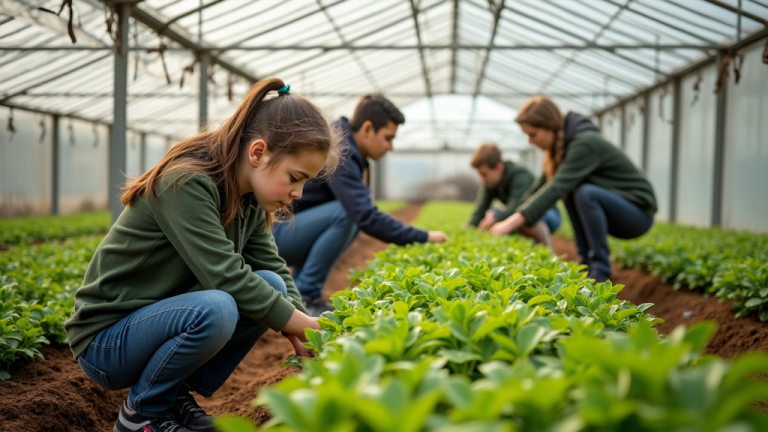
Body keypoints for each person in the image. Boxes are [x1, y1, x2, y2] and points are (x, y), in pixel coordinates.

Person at [63, 79, 341, 432]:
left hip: (156, 326)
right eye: (295, 177)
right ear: (258, 153)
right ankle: (141, 415)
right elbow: (225, 277)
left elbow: (273, 267)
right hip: (106, 340)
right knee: (220, 305)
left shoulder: (249, 200)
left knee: (271, 284)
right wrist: (306, 322)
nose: (299, 193)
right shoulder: (186, 182)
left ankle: (171, 395)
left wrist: (300, 331)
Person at [273, 94, 447, 316]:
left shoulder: (346, 147)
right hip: (274, 237)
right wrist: (423, 236)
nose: (390, 147)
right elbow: (365, 215)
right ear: (367, 129)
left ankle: (299, 296)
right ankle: (307, 294)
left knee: (349, 213)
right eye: (387, 138)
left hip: (292, 231)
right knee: (347, 213)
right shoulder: (341, 150)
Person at [490, 96, 656, 282]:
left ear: (549, 126)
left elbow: (555, 188)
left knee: (585, 193)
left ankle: (600, 272)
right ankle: (585, 264)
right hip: (619, 211)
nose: (530, 141)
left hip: (637, 215)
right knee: (574, 192)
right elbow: (537, 190)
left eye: (533, 134)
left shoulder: (584, 144)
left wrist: (512, 222)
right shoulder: (560, 150)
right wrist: (508, 216)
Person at [468, 143, 561, 247]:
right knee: (493, 213)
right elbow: (481, 208)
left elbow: (518, 207)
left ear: (499, 168)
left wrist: (496, 218)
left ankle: (545, 250)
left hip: (548, 215)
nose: (481, 179)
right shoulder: (489, 183)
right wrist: (468, 229)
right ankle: (523, 246)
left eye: (484, 174)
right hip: (520, 212)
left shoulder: (520, 176)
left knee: (517, 217)